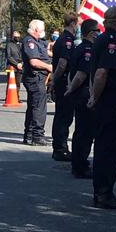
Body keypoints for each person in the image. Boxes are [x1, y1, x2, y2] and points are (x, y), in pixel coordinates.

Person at [89, 6, 116, 210]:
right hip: (110, 103)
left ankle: (105, 191)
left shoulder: (103, 39)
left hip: (108, 102)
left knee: (106, 148)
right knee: (109, 150)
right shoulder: (111, 42)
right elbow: (101, 73)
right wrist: (95, 97)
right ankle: (104, 194)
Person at [65, 19, 101, 178]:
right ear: (92, 33)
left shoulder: (78, 48)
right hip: (84, 94)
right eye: (97, 31)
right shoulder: (88, 50)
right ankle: (80, 166)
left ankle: (78, 163)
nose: (99, 34)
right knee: (85, 133)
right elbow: (81, 74)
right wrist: (71, 88)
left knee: (81, 131)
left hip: (79, 94)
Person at [50, 12, 79, 161]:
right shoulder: (67, 41)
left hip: (63, 82)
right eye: (77, 23)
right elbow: (62, 64)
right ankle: (60, 148)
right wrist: (54, 81)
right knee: (64, 117)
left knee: (63, 116)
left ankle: (61, 147)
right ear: (73, 24)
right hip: (64, 83)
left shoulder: (63, 39)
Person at [21, 20, 53, 146]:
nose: (43, 32)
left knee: (33, 106)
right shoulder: (30, 42)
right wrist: (48, 67)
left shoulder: (38, 42)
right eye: (42, 29)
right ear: (35, 30)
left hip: (37, 78)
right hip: (35, 78)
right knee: (39, 108)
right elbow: (34, 61)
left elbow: (46, 50)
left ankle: (29, 135)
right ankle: (37, 136)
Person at [5, 30, 24, 100]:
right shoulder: (9, 45)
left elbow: (24, 55)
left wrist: (21, 63)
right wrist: (16, 64)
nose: (17, 38)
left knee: (18, 83)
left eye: (18, 37)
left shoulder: (21, 45)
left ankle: (17, 97)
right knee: (10, 82)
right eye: (15, 37)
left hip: (20, 66)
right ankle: (8, 97)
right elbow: (9, 56)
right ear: (13, 37)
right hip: (11, 66)